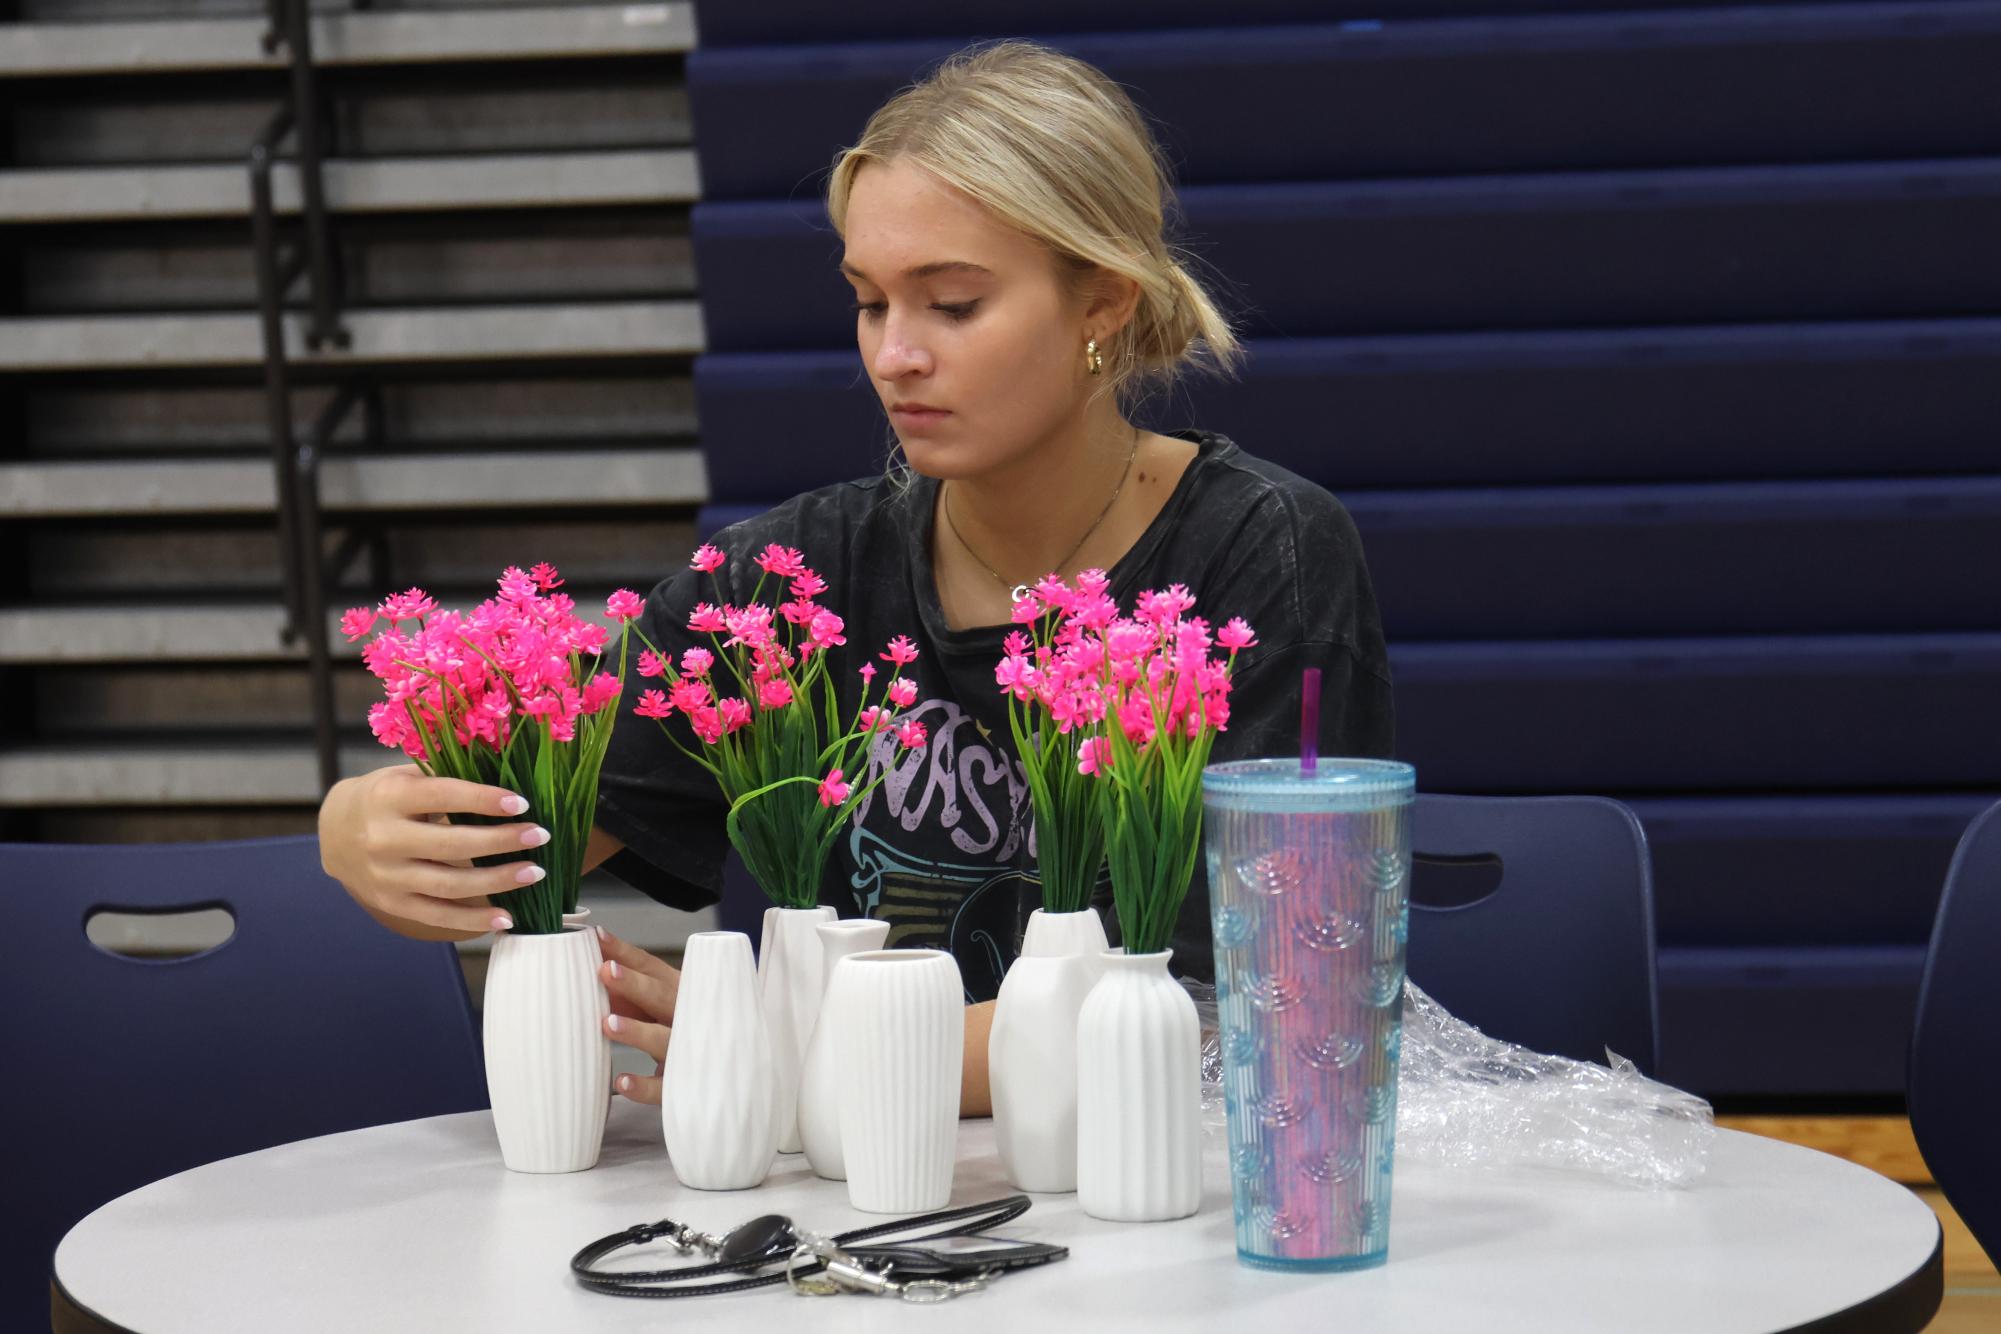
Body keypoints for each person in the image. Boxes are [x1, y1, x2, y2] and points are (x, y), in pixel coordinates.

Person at [317, 41, 1393, 1118]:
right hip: (853, 1208)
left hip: (1152, 1200)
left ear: (1102, 305)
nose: (894, 355)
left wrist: (795, 1048)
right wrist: (367, 834)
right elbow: (510, 858)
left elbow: (1227, 999)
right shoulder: (791, 583)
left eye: (954, 304)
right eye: (872, 302)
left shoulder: (1265, 551)